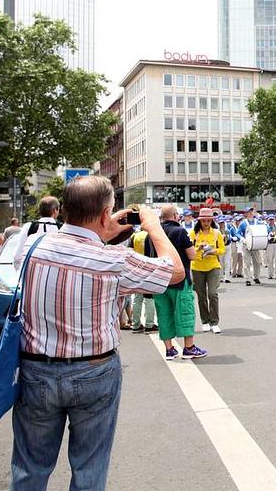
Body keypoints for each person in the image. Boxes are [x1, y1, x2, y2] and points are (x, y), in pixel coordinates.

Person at [10, 176, 185, 490]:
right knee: (89, 469)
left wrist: (100, 230)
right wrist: (152, 224)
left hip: (35, 369)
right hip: (94, 371)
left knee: (29, 468)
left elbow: (74, 249)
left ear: (64, 210)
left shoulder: (32, 249)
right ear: (106, 215)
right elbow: (175, 271)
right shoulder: (115, 261)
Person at [151, 204, 207, 359]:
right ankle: (189, 347)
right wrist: (199, 248)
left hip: (159, 281)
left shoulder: (153, 233)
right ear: (175, 215)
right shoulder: (180, 231)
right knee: (185, 311)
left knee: (164, 314)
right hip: (179, 279)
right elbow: (191, 255)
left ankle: (169, 349)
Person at [189, 208, 225, 333]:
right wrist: (199, 248)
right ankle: (205, 321)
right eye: (204, 220)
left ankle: (214, 322)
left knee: (213, 294)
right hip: (197, 267)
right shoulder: (193, 234)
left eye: (208, 220)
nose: (206, 223)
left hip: (213, 266)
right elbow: (189, 250)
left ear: (211, 221)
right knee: (201, 296)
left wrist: (212, 250)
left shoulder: (216, 233)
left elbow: (222, 250)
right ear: (200, 221)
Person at [15, 196, 62, 264]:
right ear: (55, 210)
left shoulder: (29, 227)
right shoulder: (61, 228)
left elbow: (17, 257)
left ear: (39, 210)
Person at [129, 229, 158, 333]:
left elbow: (130, 252)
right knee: (149, 297)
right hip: (148, 268)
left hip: (135, 269)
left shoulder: (134, 236)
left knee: (137, 298)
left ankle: (135, 324)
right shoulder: (151, 235)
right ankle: (149, 324)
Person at [238, 207, 264, 286]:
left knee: (258, 262)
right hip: (247, 245)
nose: (250, 213)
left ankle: (256, 277)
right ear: (246, 214)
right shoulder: (243, 223)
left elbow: (263, 230)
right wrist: (242, 238)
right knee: (247, 263)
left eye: (251, 211)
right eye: (248, 212)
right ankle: (247, 279)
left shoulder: (258, 222)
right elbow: (238, 233)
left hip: (256, 245)